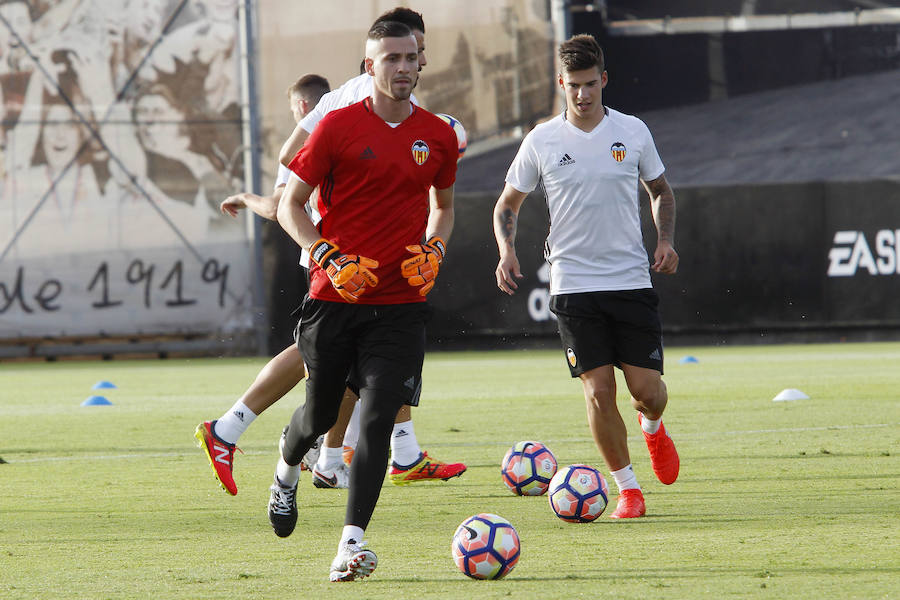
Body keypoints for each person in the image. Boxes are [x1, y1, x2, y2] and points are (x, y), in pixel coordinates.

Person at [195, 6, 465, 499]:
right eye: (408, 51)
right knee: (322, 358)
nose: (416, 61)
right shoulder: (362, 98)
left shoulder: (403, 106)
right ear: (374, 58)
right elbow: (291, 165)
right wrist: (330, 242)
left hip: (376, 257)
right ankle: (251, 434)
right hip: (338, 252)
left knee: (373, 364)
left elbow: (438, 202)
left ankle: (388, 454)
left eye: (419, 52)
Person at [271, 20, 457, 581]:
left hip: (401, 303)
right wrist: (326, 255)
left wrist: (435, 250)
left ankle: (349, 545)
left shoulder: (439, 135)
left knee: (377, 419)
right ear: (369, 67)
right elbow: (290, 205)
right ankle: (285, 468)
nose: (402, 66)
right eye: (390, 58)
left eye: (410, 57)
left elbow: (444, 207)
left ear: (421, 63)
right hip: (335, 297)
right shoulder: (334, 126)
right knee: (321, 415)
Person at [492, 34, 680, 520]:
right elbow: (507, 204)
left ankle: (653, 427)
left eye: (590, 84)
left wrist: (664, 240)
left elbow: (660, 190)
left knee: (648, 391)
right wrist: (507, 250)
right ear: (561, 83)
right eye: (573, 85)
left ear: (604, 80)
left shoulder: (633, 131)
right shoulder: (542, 140)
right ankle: (628, 489)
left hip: (630, 279)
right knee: (598, 391)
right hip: (573, 284)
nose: (582, 94)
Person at [194, 73, 361, 491]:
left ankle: (323, 451)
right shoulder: (322, 131)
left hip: (346, 257)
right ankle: (303, 447)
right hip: (331, 259)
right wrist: (249, 199)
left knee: (348, 357)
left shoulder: (346, 121)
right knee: (320, 353)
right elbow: (280, 205)